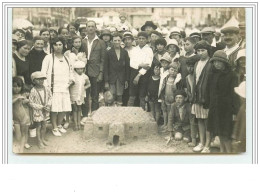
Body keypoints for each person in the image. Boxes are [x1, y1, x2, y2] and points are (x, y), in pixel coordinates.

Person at [205, 50, 239, 153]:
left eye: (219, 62)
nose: (216, 64)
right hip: (215, 107)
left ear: (224, 62)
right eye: (214, 62)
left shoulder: (231, 75)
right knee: (219, 133)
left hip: (226, 109)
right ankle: (222, 153)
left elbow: (234, 94)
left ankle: (228, 154)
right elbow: (208, 90)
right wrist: (208, 105)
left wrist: (234, 111)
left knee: (226, 135)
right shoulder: (212, 74)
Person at [41, 36, 74, 136]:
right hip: (53, 88)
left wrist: (70, 81)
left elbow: (71, 72)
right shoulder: (48, 57)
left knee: (64, 108)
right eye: (56, 45)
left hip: (65, 87)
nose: (58, 47)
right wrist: (46, 87)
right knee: (54, 109)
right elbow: (43, 73)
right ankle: (54, 127)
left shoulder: (67, 59)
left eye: (60, 45)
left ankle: (59, 124)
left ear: (63, 46)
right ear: (53, 46)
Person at [191, 40, 212, 153]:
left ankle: (208, 144)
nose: (201, 53)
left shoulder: (211, 63)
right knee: (199, 119)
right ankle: (201, 142)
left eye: (203, 50)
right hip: (197, 96)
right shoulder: (196, 63)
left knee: (207, 120)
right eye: (198, 51)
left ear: (208, 51)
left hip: (207, 97)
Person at [81, 20, 106, 112]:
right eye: (89, 26)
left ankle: (95, 114)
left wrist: (101, 73)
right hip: (83, 72)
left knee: (95, 95)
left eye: (92, 26)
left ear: (95, 28)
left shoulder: (101, 42)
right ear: (86, 28)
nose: (91, 28)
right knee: (84, 94)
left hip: (96, 72)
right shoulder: (82, 41)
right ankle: (85, 115)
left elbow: (103, 59)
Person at [127, 31, 153, 110]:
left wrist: (138, 75)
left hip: (144, 74)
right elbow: (131, 63)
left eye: (143, 39)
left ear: (146, 40)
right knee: (132, 96)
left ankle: (142, 115)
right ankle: (128, 114)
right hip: (133, 72)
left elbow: (148, 65)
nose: (141, 40)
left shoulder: (149, 50)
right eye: (139, 38)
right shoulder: (134, 50)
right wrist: (140, 64)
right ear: (137, 39)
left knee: (142, 96)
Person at [104, 33, 130, 106]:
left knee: (119, 96)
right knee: (111, 97)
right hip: (111, 78)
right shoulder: (108, 52)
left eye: (119, 40)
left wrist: (126, 80)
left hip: (121, 78)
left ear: (121, 41)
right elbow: (105, 67)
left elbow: (127, 67)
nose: (117, 42)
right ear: (112, 41)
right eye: (115, 40)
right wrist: (106, 81)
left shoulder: (124, 52)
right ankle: (111, 114)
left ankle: (119, 113)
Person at [29, 72, 52, 148]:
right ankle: (39, 142)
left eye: (42, 79)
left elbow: (50, 97)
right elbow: (30, 102)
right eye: (38, 79)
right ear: (33, 81)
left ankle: (42, 139)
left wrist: (48, 105)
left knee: (44, 125)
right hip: (37, 111)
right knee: (38, 126)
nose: (41, 81)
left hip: (45, 110)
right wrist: (40, 107)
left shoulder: (46, 88)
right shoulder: (33, 90)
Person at [159, 62, 182, 132]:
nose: (173, 72)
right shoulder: (166, 78)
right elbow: (162, 88)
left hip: (172, 99)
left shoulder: (177, 80)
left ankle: (169, 126)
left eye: (175, 70)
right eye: (172, 69)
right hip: (165, 97)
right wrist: (162, 97)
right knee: (164, 111)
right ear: (168, 70)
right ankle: (165, 123)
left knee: (170, 113)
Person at [69, 61, 91, 131]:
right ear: (75, 69)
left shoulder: (85, 76)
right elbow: (70, 85)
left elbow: (89, 84)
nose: (80, 70)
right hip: (74, 94)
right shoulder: (73, 76)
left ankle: (79, 123)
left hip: (81, 95)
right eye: (78, 69)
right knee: (75, 109)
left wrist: (84, 88)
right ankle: (75, 124)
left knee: (79, 109)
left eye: (81, 69)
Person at [13, 77, 31, 153]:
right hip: (15, 119)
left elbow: (23, 103)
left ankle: (21, 150)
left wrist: (26, 100)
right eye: (14, 86)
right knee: (18, 136)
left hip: (24, 117)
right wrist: (17, 99)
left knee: (24, 134)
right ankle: (18, 147)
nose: (16, 88)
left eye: (19, 86)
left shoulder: (21, 94)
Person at [185, 55, 200, 147]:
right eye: (188, 66)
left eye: (192, 66)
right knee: (192, 120)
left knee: (201, 120)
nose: (190, 68)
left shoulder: (199, 76)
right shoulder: (188, 77)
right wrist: (190, 97)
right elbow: (189, 90)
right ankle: (193, 139)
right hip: (192, 102)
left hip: (200, 101)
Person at [158, 53, 172, 130]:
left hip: (167, 92)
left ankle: (168, 124)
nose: (164, 64)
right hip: (161, 92)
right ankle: (165, 123)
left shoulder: (169, 72)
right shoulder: (160, 70)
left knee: (168, 109)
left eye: (166, 62)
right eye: (162, 62)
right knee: (163, 108)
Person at [232, 81, 246, 153]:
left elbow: (241, 126)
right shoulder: (243, 107)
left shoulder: (243, 109)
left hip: (242, 140)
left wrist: (237, 138)